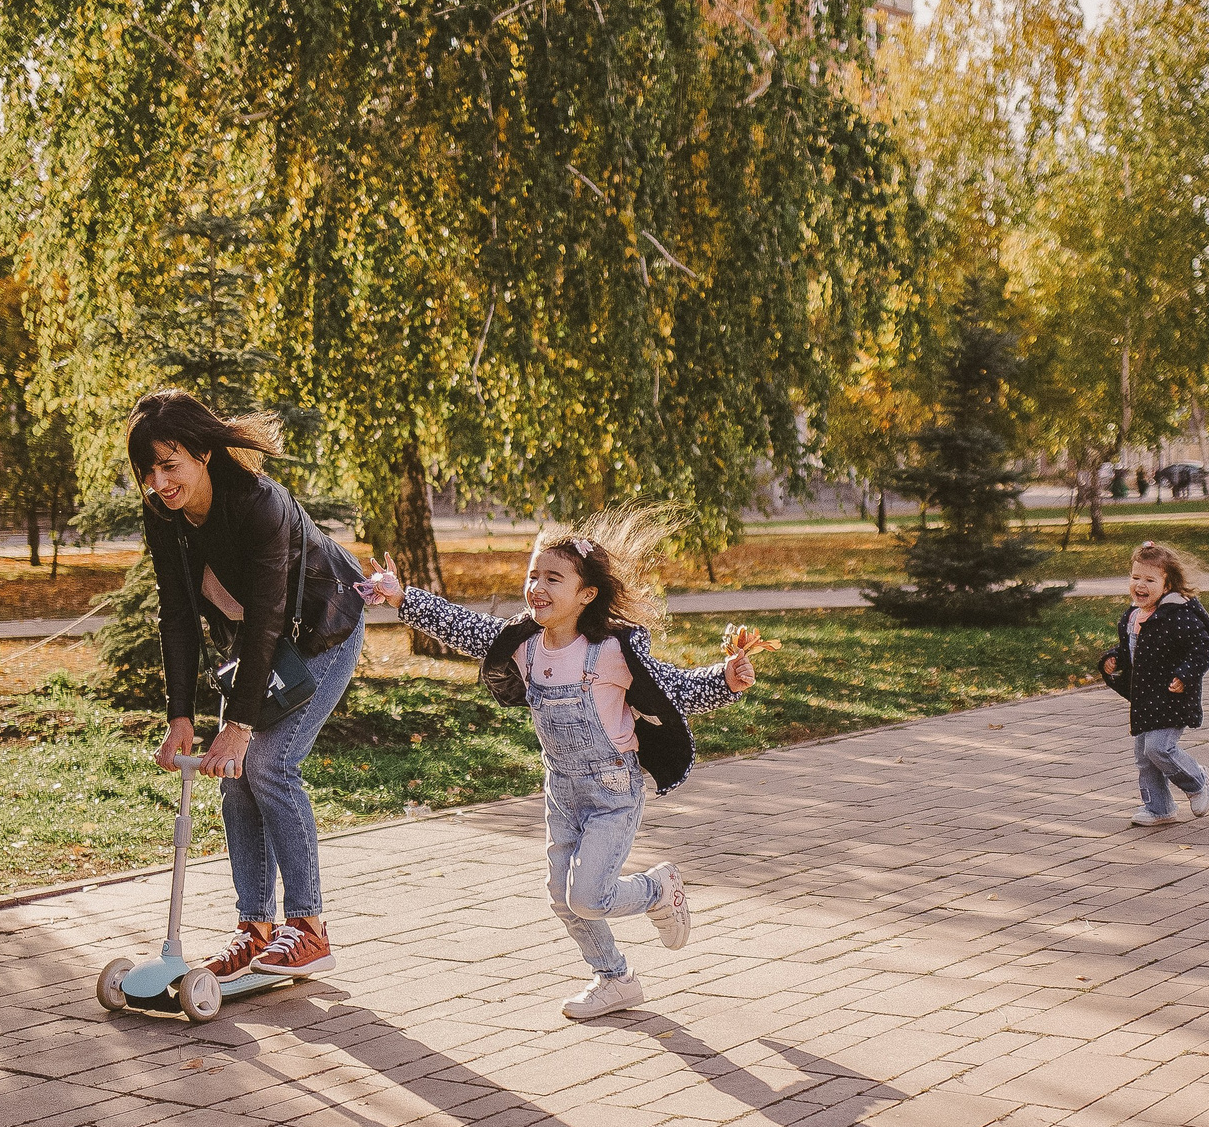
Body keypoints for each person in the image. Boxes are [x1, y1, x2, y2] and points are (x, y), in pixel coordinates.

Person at [360, 513, 755, 1020]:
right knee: (562, 899)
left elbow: (672, 689)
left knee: (590, 895)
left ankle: (659, 890)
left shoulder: (611, 650)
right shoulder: (522, 644)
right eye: (532, 575)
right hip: (562, 791)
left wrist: (725, 680)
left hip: (613, 790)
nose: (537, 587)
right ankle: (615, 978)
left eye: (553, 578)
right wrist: (401, 598)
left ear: (586, 594)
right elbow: (464, 626)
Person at [133, 389, 369, 981]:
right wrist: (181, 715)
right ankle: (255, 927)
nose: (160, 482)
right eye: (149, 470)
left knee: (266, 764)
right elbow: (178, 613)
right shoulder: (164, 513)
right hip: (258, 638)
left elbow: (268, 615)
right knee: (231, 774)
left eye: (170, 465)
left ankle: (308, 927)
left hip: (322, 627)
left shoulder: (260, 504)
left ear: (204, 454)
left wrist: (237, 728)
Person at [1098, 539, 1209, 827]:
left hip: (1174, 695)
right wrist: (1114, 659)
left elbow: (1200, 648)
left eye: (1150, 579)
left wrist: (1185, 676)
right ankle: (1159, 808)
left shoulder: (1178, 615)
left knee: (1158, 748)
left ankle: (1197, 780)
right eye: (1136, 577)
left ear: (1168, 584)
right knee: (1144, 757)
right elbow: (1131, 652)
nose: (1140, 584)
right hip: (1145, 698)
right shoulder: (1132, 616)